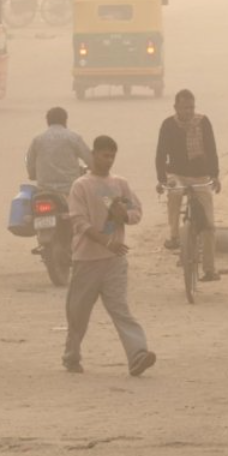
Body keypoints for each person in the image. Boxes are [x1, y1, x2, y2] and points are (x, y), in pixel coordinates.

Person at [63, 135, 155, 377]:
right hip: (87, 260)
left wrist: (123, 215)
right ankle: (72, 355)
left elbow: (136, 212)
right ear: (94, 155)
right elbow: (80, 222)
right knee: (78, 314)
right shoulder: (81, 186)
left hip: (114, 262)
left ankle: (138, 354)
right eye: (105, 155)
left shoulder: (119, 184)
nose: (109, 160)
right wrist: (107, 241)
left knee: (120, 309)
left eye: (112, 156)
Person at [155, 90, 221, 282]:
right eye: (185, 108)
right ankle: (175, 236)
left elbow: (212, 149)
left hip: (201, 176)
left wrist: (215, 176)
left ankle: (209, 269)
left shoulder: (203, 122)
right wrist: (161, 180)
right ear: (176, 108)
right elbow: (160, 155)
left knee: (209, 224)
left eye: (192, 107)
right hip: (176, 173)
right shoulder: (168, 125)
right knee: (174, 194)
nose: (189, 111)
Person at [26, 107, 92, 194]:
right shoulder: (74, 137)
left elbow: (30, 162)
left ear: (47, 121)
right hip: (70, 190)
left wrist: (32, 174)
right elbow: (90, 160)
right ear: (65, 120)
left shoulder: (37, 140)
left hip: (44, 190)